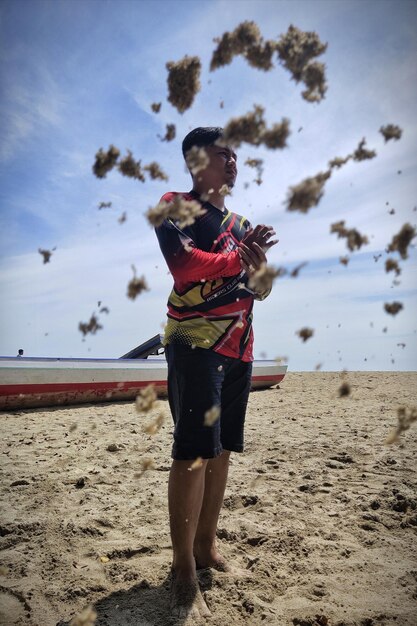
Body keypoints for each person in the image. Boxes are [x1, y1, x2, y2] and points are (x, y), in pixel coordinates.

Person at [155, 127, 277, 619]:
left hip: (239, 349)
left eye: (235, 157)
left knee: (222, 449)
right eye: (224, 156)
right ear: (197, 162)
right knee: (192, 453)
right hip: (193, 345)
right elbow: (183, 266)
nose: (234, 164)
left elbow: (260, 290)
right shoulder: (175, 203)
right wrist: (236, 260)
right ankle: (183, 566)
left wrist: (259, 267)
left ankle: (206, 547)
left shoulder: (241, 222)